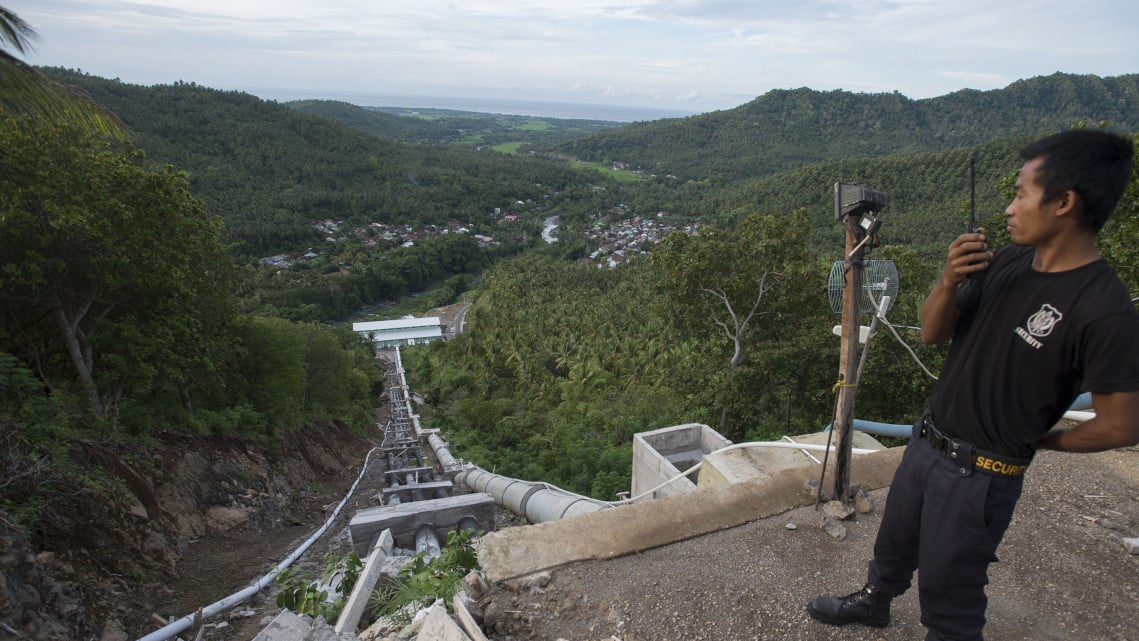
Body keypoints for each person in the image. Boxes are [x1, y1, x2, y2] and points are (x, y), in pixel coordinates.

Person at [806, 128, 1139, 641]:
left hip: (982, 473)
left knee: (951, 589)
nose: (1009, 208)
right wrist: (947, 280)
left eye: (1022, 193)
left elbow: (1120, 425)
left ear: (1065, 203)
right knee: (894, 541)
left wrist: (1039, 441)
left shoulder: (1104, 308)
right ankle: (876, 601)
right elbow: (935, 332)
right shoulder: (1003, 261)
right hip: (928, 440)